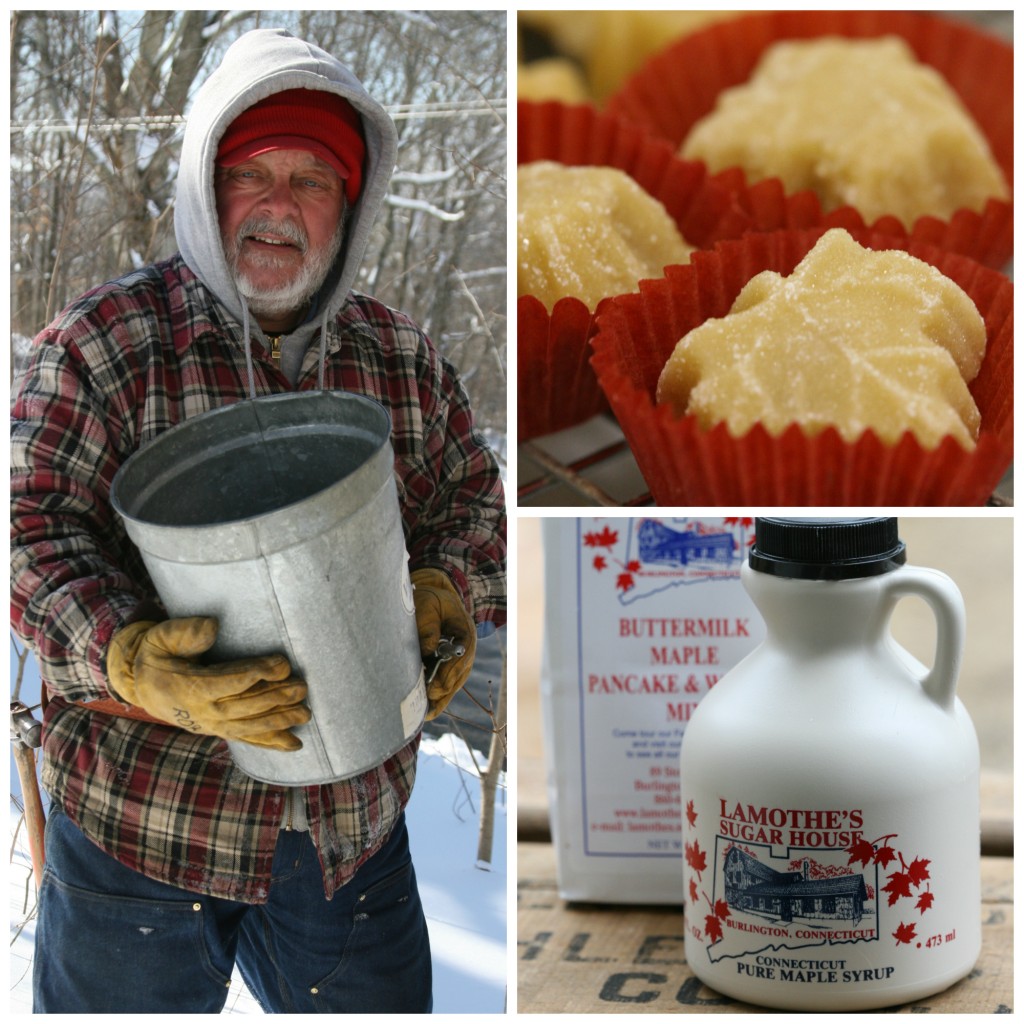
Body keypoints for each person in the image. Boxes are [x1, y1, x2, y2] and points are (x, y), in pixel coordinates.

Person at [10, 28, 506, 1015]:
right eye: (251, 172)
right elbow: (27, 529)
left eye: (313, 179)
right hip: (142, 822)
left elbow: (473, 506)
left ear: (350, 209)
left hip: (345, 833)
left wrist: (448, 583)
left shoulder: (398, 361)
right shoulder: (108, 343)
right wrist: (123, 653)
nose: (279, 204)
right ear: (205, 185)